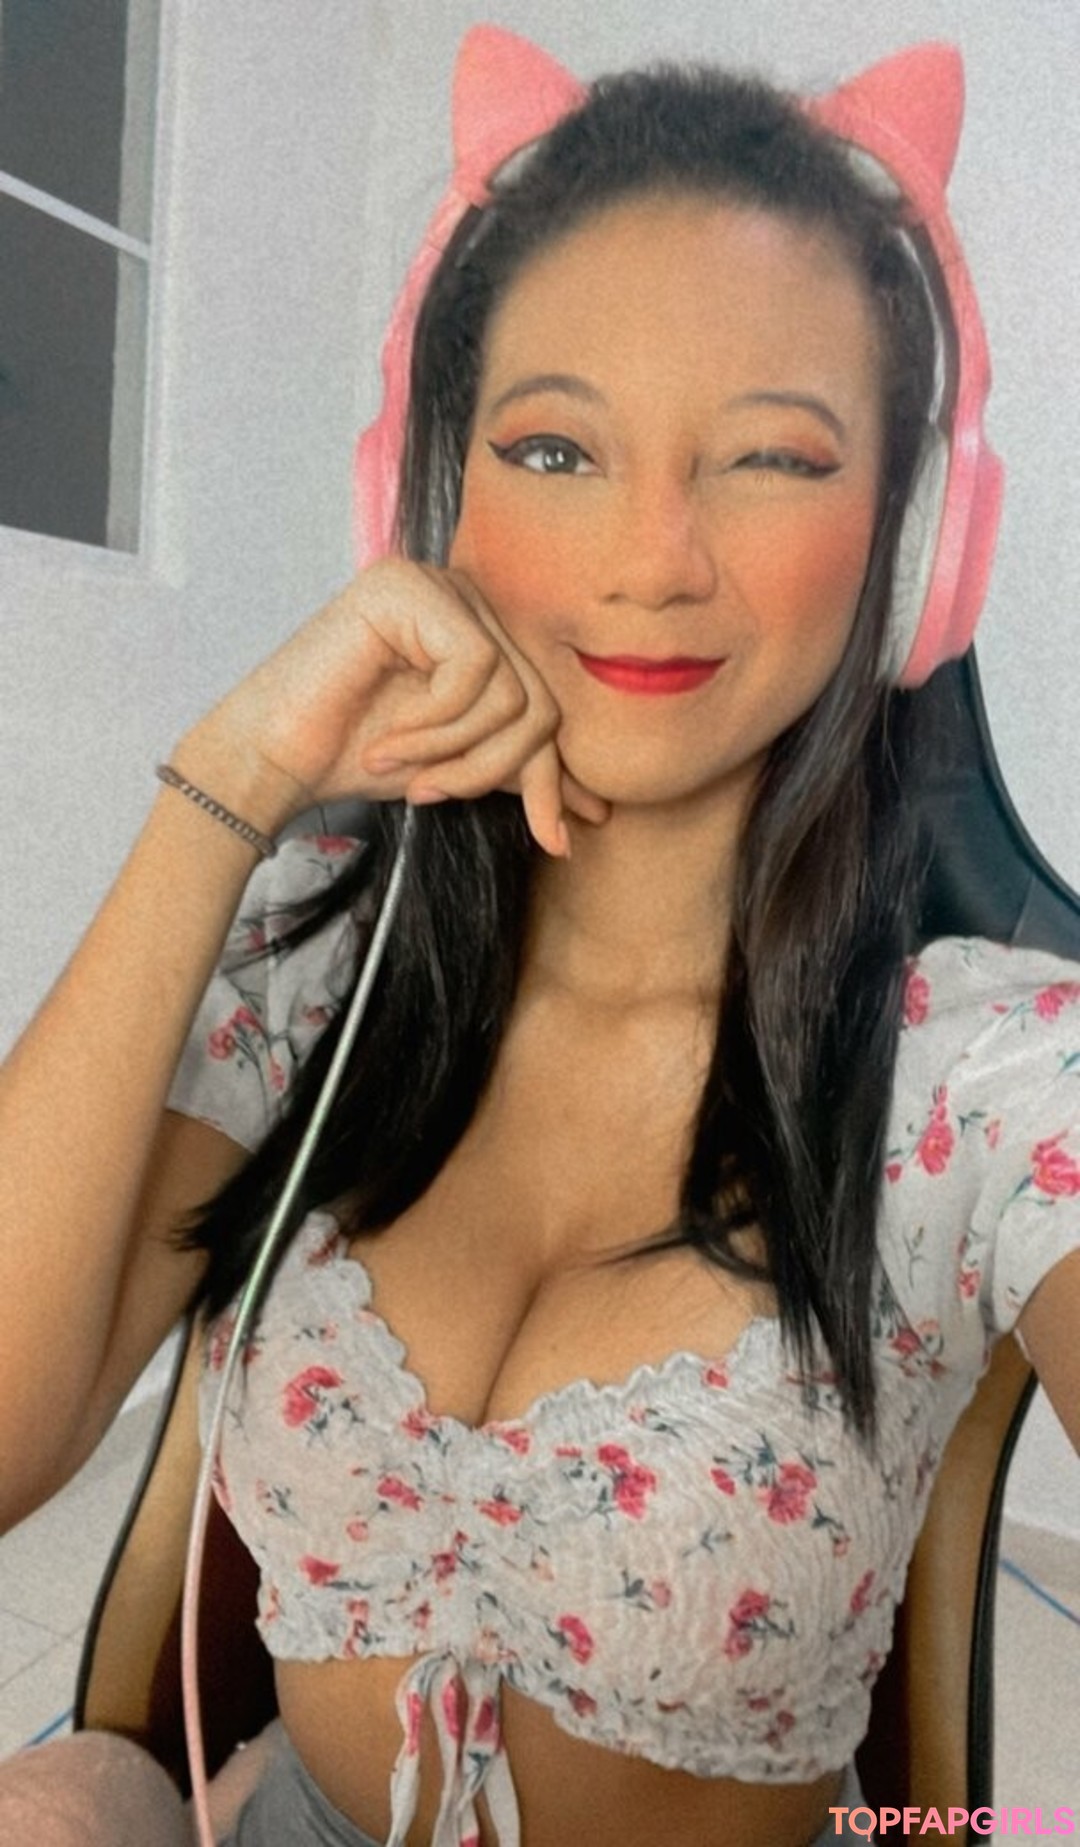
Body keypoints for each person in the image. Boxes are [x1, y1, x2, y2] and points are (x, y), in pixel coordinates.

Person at [1, 24, 1078, 1847]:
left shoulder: (985, 1081)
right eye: (557, 447)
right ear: (430, 505)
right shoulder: (311, 987)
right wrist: (229, 783)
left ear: (912, 551)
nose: (652, 557)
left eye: (772, 457)